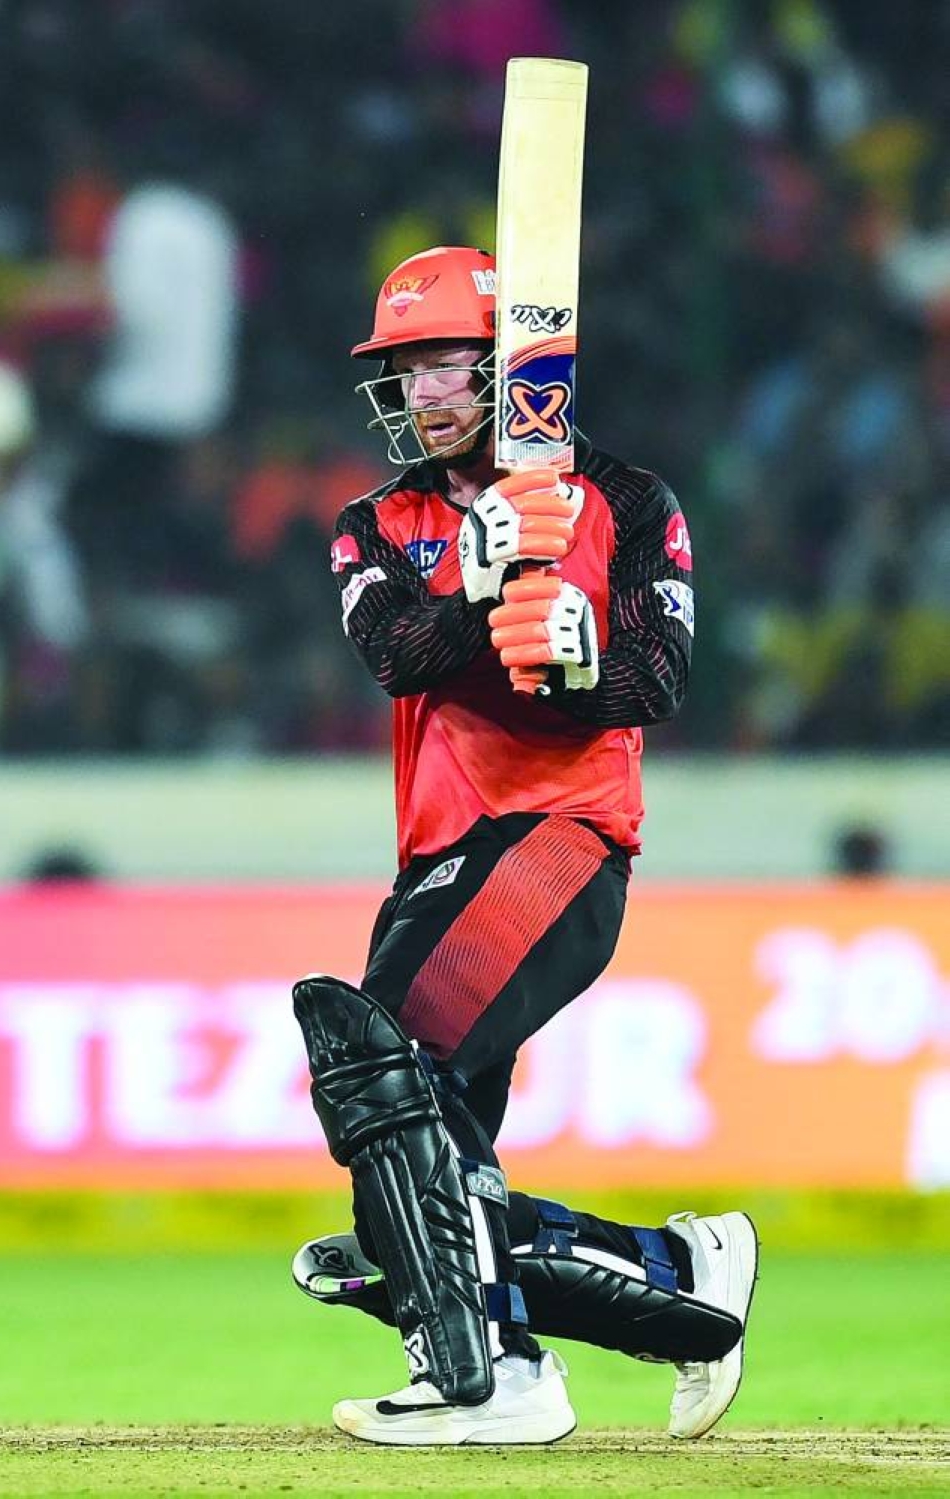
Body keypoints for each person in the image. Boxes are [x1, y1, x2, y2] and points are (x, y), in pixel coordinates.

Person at [291, 246, 757, 1447]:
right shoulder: (373, 522)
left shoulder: (631, 502)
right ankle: (674, 1271)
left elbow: (659, 680)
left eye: (439, 363)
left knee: (378, 1059)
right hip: (436, 861)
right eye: (399, 369)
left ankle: (488, 1374)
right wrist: (479, 594)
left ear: (511, 366)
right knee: (424, 1166)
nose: (415, 392)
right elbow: (396, 652)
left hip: (561, 837)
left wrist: (578, 641)